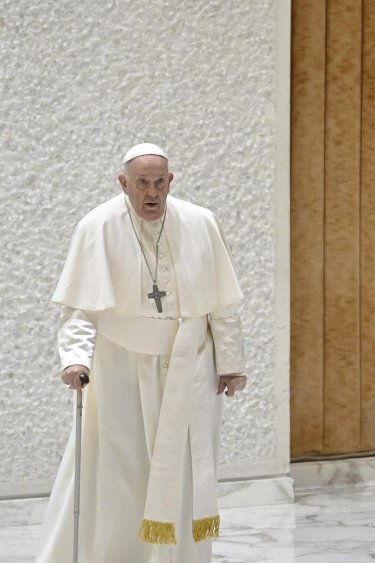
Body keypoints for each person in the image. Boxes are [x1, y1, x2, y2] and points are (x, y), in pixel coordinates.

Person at [37, 143, 247, 563]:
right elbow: (79, 309)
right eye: (141, 184)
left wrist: (231, 363)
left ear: (170, 182)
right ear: (123, 183)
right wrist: (75, 359)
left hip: (190, 365)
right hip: (121, 367)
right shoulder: (97, 226)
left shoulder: (201, 223)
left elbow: (222, 306)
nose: (151, 194)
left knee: (187, 472)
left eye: (159, 183)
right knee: (123, 471)